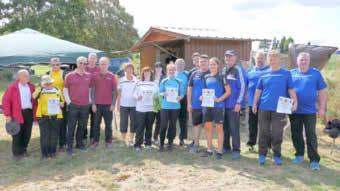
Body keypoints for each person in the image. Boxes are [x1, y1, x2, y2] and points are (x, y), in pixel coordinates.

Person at [252, 50, 297, 166]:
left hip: (280, 108)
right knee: (263, 132)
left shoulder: (286, 73)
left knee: (277, 133)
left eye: (275, 58)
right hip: (264, 107)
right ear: (268, 60)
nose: (272, 60)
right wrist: (254, 103)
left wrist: (295, 102)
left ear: (279, 59)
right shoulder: (264, 74)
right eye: (270, 58)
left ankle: (277, 155)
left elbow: (291, 89)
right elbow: (258, 90)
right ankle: (262, 154)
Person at [290, 52, 327, 170]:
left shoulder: (315, 74)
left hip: (310, 111)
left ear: (309, 61)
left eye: (306, 59)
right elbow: (287, 89)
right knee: (296, 133)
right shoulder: (291, 73)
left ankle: (314, 159)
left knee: (310, 134)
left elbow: (322, 91)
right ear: (297, 61)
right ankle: (299, 154)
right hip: (295, 110)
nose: (304, 62)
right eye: (301, 60)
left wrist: (321, 108)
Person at [2, 69, 36, 160]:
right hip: (16, 114)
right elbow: (6, 102)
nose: (27, 77)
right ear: (19, 77)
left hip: (28, 112)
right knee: (17, 133)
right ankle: (17, 154)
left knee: (27, 133)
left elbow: (35, 100)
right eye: (25, 75)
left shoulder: (31, 86)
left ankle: (24, 150)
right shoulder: (12, 88)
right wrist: (8, 115)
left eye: (28, 75)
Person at [201, 57, 231, 160]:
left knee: (219, 129)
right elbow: (205, 91)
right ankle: (209, 150)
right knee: (208, 128)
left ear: (218, 65)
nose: (212, 66)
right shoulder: (206, 77)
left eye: (214, 64)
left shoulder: (222, 77)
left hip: (218, 107)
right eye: (210, 64)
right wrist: (202, 97)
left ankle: (219, 151)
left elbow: (228, 92)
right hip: (207, 106)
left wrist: (219, 99)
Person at [64, 56, 93, 155]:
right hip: (74, 105)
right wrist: (69, 102)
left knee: (82, 126)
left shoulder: (89, 75)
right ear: (77, 63)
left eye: (84, 63)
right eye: (80, 63)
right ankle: (69, 147)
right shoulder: (70, 75)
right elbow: (65, 89)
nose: (82, 65)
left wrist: (89, 100)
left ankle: (79, 144)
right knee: (71, 127)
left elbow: (90, 89)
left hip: (85, 105)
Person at [223, 49, 247, 160]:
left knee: (234, 128)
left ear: (235, 58)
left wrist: (239, 102)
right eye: (227, 57)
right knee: (225, 128)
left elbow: (242, 87)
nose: (229, 59)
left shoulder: (238, 69)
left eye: (231, 57)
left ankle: (236, 149)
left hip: (234, 105)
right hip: (223, 105)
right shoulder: (223, 70)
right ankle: (226, 147)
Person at [33, 75, 64, 159]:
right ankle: (44, 153)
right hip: (43, 117)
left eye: (50, 83)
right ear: (43, 84)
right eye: (46, 84)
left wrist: (61, 104)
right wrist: (40, 87)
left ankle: (53, 152)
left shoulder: (57, 90)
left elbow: (62, 102)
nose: (48, 85)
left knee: (54, 135)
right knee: (44, 136)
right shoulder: (41, 91)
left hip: (56, 116)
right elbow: (34, 97)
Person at [91, 57, 117, 149]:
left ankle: (108, 140)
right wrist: (93, 103)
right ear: (99, 64)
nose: (103, 65)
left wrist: (113, 104)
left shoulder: (112, 75)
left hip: (108, 105)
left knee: (108, 125)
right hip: (97, 105)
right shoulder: (94, 75)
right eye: (102, 64)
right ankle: (95, 141)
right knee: (96, 124)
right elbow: (92, 90)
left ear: (108, 65)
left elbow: (115, 91)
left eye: (105, 64)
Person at [246, 50, 270, 150]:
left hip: (265, 103)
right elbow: (245, 85)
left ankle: (267, 145)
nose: (259, 60)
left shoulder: (270, 70)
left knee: (266, 126)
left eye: (261, 58)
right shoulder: (250, 71)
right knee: (252, 124)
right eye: (258, 58)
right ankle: (251, 143)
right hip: (252, 103)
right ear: (254, 59)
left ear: (265, 59)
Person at [158, 63, 185, 152]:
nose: (171, 72)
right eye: (170, 70)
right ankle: (161, 144)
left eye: (173, 70)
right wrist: (163, 93)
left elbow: (182, 93)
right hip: (165, 106)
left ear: (175, 71)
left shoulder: (179, 81)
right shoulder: (164, 81)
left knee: (173, 125)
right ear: (167, 71)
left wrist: (180, 97)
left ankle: (170, 143)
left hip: (175, 106)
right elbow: (160, 92)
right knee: (163, 125)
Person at [187, 54, 210, 153]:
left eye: (205, 62)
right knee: (196, 125)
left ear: (208, 63)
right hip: (196, 104)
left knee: (208, 125)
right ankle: (196, 144)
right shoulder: (194, 74)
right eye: (201, 62)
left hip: (208, 105)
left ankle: (209, 147)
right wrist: (189, 103)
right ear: (198, 63)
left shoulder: (212, 74)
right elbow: (189, 89)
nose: (203, 63)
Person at [133, 67, 159, 151]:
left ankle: (148, 143)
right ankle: (137, 145)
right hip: (140, 108)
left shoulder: (154, 84)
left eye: (148, 72)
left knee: (149, 126)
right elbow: (134, 94)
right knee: (140, 127)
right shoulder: (139, 83)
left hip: (151, 108)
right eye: (145, 72)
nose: (147, 74)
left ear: (151, 74)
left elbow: (157, 95)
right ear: (143, 74)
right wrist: (137, 97)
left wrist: (156, 98)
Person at [47, 57, 68, 152]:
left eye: (57, 64)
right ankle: (52, 143)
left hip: (61, 102)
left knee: (62, 124)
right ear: (50, 65)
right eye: (53, 64)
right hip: (50, 103)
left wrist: (66, 101)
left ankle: (62, 144)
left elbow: (67, 88)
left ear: (60, 64)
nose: (55, 66)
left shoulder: (64, 74)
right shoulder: (47, 74)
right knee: (52, 124)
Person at [116, 63, 138, 146]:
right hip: (123, 105)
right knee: (123, 122)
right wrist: (118, 105)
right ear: (125, 70)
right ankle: (123, 140)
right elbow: (119, 94)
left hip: (134, 105)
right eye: (127, 69)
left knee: (134, 122)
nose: (129, 70)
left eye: (131, 69)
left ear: (133, 70)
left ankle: (131, 139)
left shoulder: (137, 80)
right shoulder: (121, 80)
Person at [84, 52, 100, 145]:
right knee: (84, 119)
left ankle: (93, 137)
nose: (92, 59)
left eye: (94, 58)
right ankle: (84, 136)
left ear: (96, 59)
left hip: (96, 97)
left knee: (95, 119)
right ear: (88, 59)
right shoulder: (83, 68)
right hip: (84, 96)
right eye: (91, 58)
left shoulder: (99, 69)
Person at [175, 58, 189, 146]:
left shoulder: (187, 74)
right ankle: (171, 137)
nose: (180, 66)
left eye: (181, 64)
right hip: (174, 99)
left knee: (183, 119)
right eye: (178, 64)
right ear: (175, 65)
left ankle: (182, 138)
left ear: (184, 66)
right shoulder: (172, 73)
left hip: (184, 99)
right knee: (172, 119)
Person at [152, 62, 166, 144]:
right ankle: (147, 137)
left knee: (159, 120)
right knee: (150, 120)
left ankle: (155, 137)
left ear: (162, 68)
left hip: (160, 101)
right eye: (156, 66)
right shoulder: (151, 76)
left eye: (159, 66)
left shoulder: (165, 77)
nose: (158, 68)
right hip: (151, 101)